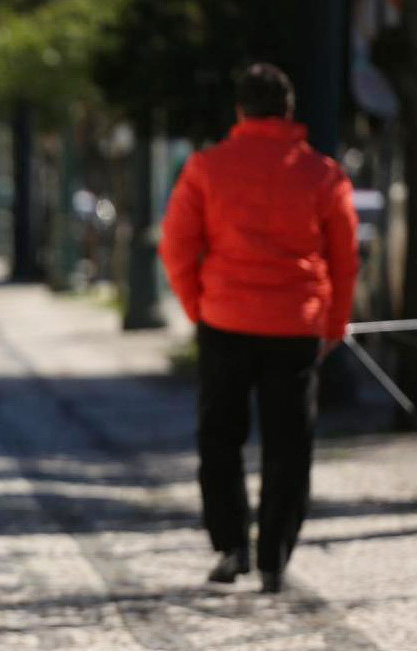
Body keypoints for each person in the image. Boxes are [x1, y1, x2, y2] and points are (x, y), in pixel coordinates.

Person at [159, 63, 359, 594]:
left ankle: (230, 546)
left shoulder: (206, 167)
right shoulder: (322, 173)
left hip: (225, 318)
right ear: (289, 111)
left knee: (220, 436)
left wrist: (196, 305)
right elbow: (343, 258)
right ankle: (274, 555)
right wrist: (334, 322)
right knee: (289, 442)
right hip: (294, 325)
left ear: (240, 111)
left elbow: (176, 244)